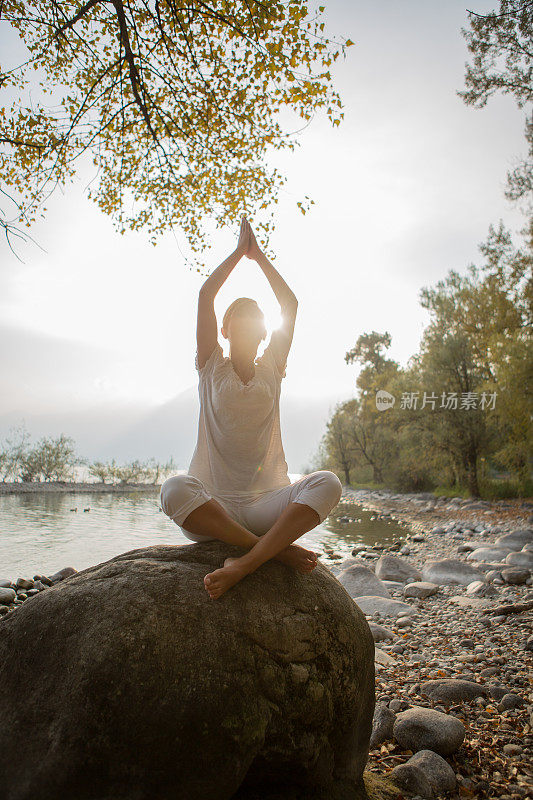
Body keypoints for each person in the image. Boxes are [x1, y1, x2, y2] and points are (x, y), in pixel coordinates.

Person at [160, 216, 343, 599]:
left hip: (265, 507)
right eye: (236, 321)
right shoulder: (210, 364)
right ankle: (274, 552)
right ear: (224, 331)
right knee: (174, 488)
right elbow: (206, 296)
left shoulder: (274, 367)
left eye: (253, 322)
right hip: (212, 510)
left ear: (264, 331)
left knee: (328, 482)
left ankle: (247, 560)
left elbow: (290, 303)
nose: (246, 327)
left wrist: (258, 257)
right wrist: (236, 254)